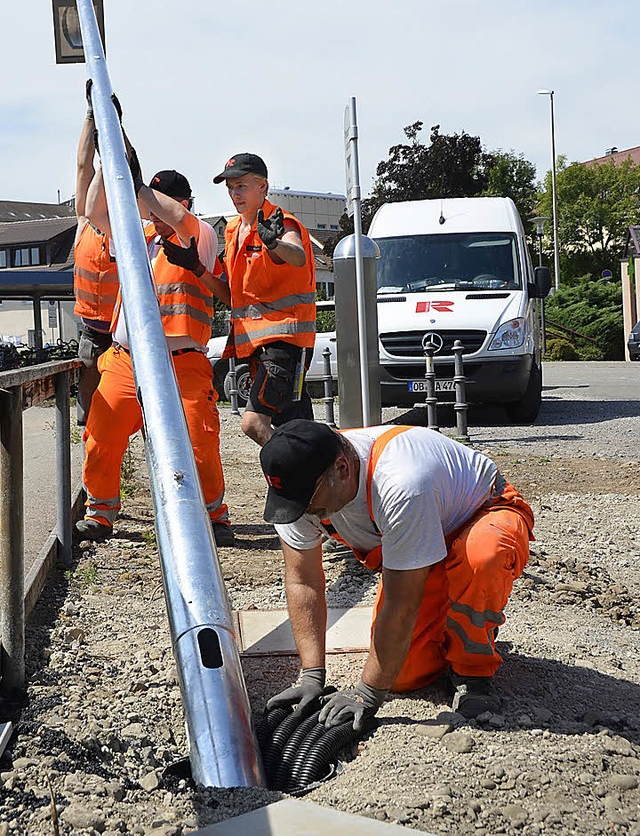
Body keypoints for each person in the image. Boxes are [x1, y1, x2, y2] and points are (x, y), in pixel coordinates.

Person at [259, 419, 534, 729]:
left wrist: (366, 694)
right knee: (401, 674)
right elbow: (303, 582)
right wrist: (312, 675)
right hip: (420, 536)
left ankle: (473, 672)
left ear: (342, 469)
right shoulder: (300, 485)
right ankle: (448, 625)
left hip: (482, 515)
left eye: (308, 502)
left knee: (483, 556)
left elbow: (402, 604)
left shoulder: (401, 482)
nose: (302, 512)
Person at [76, 161, 233, 546]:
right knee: (101, 433)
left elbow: (177, 217)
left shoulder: (201, 236)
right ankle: (100, 513)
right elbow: (94, 211)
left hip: (183, 364)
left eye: (163, 203)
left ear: (184, 202)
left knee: (199, 442)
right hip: (127, 359)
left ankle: (215, 518)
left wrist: (139, 185)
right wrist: (105, 159)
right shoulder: (135, 236)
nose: (155, 214)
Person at [165, 153, 316, 447]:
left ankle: (294, 471)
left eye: (242, 186)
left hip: (285, 344)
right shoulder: (233, 231)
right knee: (296, 427)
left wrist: (274, 242)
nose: (235, 194)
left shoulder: (282, 222)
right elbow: (231, 297)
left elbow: (296, 255)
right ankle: (314, 477)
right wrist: (197, 268)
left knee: (253, 423)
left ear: (263, 186)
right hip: (256, 347)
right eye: (231, 188)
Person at [72, 82, 119, 426]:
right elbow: (82, 166)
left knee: (120, 416)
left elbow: (119, 172)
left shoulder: (128, 234)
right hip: (91, 333)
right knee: (88, 418)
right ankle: (91, 478)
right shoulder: (84, 226)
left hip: (121, 335)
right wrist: (91, 116)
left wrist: (114, 135)